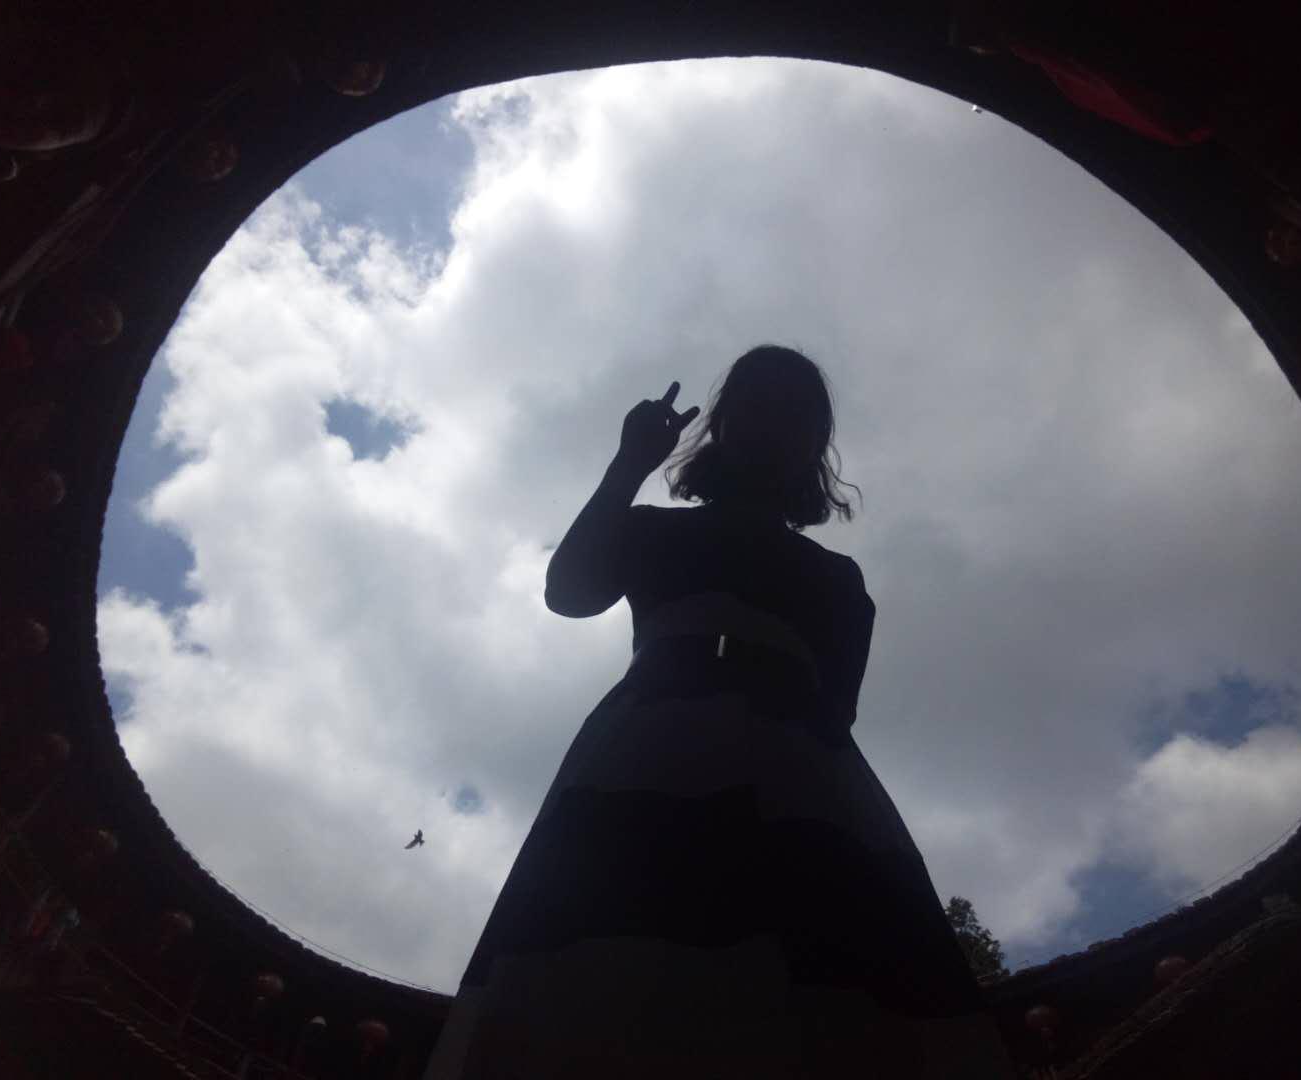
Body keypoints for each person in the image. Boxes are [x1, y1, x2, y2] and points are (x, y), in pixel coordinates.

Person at [424, 345, 1016, 1078]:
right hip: (657, 752)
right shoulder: (656, 532)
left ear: (813, 445)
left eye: (794, 415)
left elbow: (837, 708)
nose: (774, 426)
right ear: (724, 424)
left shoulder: (836, 578)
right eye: (759, 405)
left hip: (782, 767)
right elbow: (569, 591)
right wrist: (628, 465)